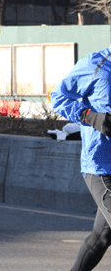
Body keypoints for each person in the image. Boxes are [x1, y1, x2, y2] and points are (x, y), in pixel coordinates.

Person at [51, 44, 111, 271]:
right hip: (101, 167)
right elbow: (58, 96)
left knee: (101, 237)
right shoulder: (96, 64)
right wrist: (91, 116)